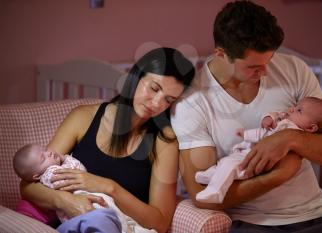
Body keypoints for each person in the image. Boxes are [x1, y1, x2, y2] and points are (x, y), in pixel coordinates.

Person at [170, 1, 322, 232]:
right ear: (221, 54)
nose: (265, 72)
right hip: (250, 223)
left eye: (269, 60)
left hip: (317, 215)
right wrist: (278, 175)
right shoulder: (192, 103)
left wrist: (288, 139)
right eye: (254, 67)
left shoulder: (295, 69)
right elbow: (203, 197)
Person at [19, 47, 195, 233]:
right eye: (154, 88)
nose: (157, 103)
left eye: (168, 99)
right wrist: (67, 202)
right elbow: (29, 185)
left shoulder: (164, 141)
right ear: (136, 77)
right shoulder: (82, 118)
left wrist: (109, 187)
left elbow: (160, 222)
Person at [195, 97, 322, 203]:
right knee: (226, 163)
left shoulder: (293, 131)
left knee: (230, 166)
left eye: (299, 110)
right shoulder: (284, 124)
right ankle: (212, 176)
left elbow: (264, 135)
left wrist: (247, 134)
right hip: (248, 154)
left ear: (311, 128)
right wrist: (268, 119)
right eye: (296, 106)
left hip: (256, 162)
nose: (292, 109)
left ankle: (215, 192)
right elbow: (266, 130)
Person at [13, 143, 156, 233]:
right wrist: (65, 158)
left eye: (45, 149)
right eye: (43, 158)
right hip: (83, 204)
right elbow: (78, 168)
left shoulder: (54, 167)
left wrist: (64, 159)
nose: (49, 153)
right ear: (36, 176)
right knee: (111, 219)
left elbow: (80, 170)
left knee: (120, 215)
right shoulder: (49, 176)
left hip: (94, 197)